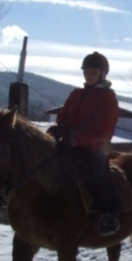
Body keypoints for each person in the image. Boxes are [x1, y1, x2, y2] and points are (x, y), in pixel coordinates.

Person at [50, 51, 121, 236]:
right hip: (70, 143)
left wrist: (78, 138)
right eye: (86, 72)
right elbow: (63, 115)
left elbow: (102, 128)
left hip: (95, 147)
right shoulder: (76, 94)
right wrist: (59, 129)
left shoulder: (108, 98)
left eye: (93, 72)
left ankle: (110, 214)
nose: (89, 75)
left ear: (102, 74)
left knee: (98, 173)